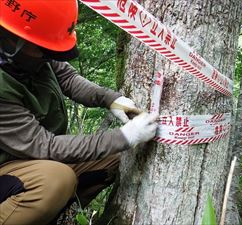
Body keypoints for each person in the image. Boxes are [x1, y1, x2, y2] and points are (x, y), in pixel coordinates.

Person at [0, 1, 158, 224]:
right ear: (12, 38)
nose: (48, 55)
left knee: (115, 158)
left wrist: (111, 99)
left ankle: (56, 216)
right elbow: (45, 146)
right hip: (9, 166)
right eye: (43, 49)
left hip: (31, 160)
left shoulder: (30, 50)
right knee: (55, 181)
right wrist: (123, 136)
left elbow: (67, 78)